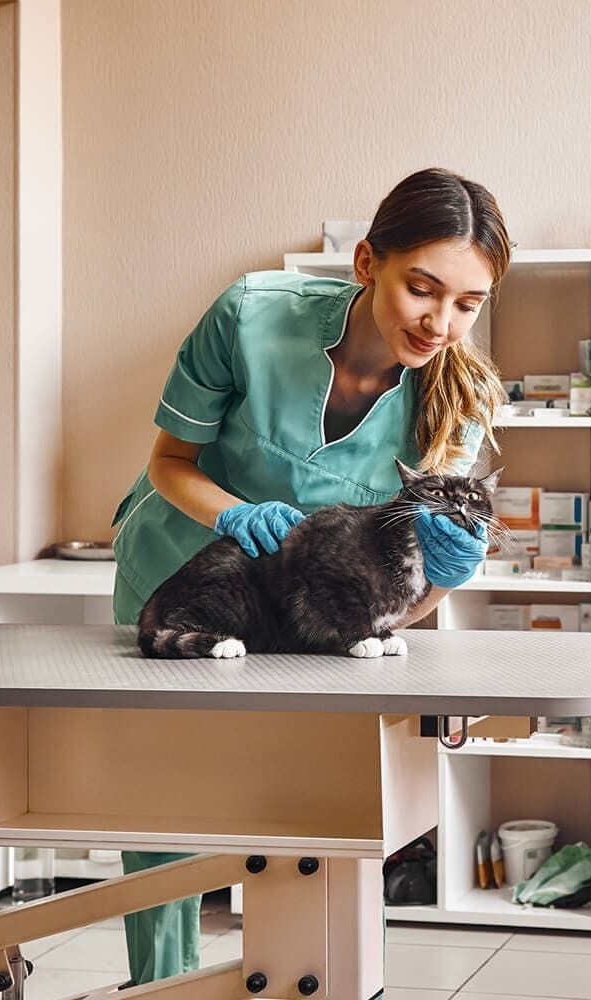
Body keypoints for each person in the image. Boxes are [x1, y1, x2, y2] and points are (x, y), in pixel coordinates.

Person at [110, 167, 510, 987]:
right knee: (163, 812)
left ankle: (346, 979)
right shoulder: (251, 315)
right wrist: (231, 514)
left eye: (468, 304)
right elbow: (169, 462)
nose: (441, 322)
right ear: (367, 263)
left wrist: (447, 573)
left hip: (324, 616)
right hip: (191, 575)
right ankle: (159, 987)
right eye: (421, 290)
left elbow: (411, 591)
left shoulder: (457, 403)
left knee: (339, 812)